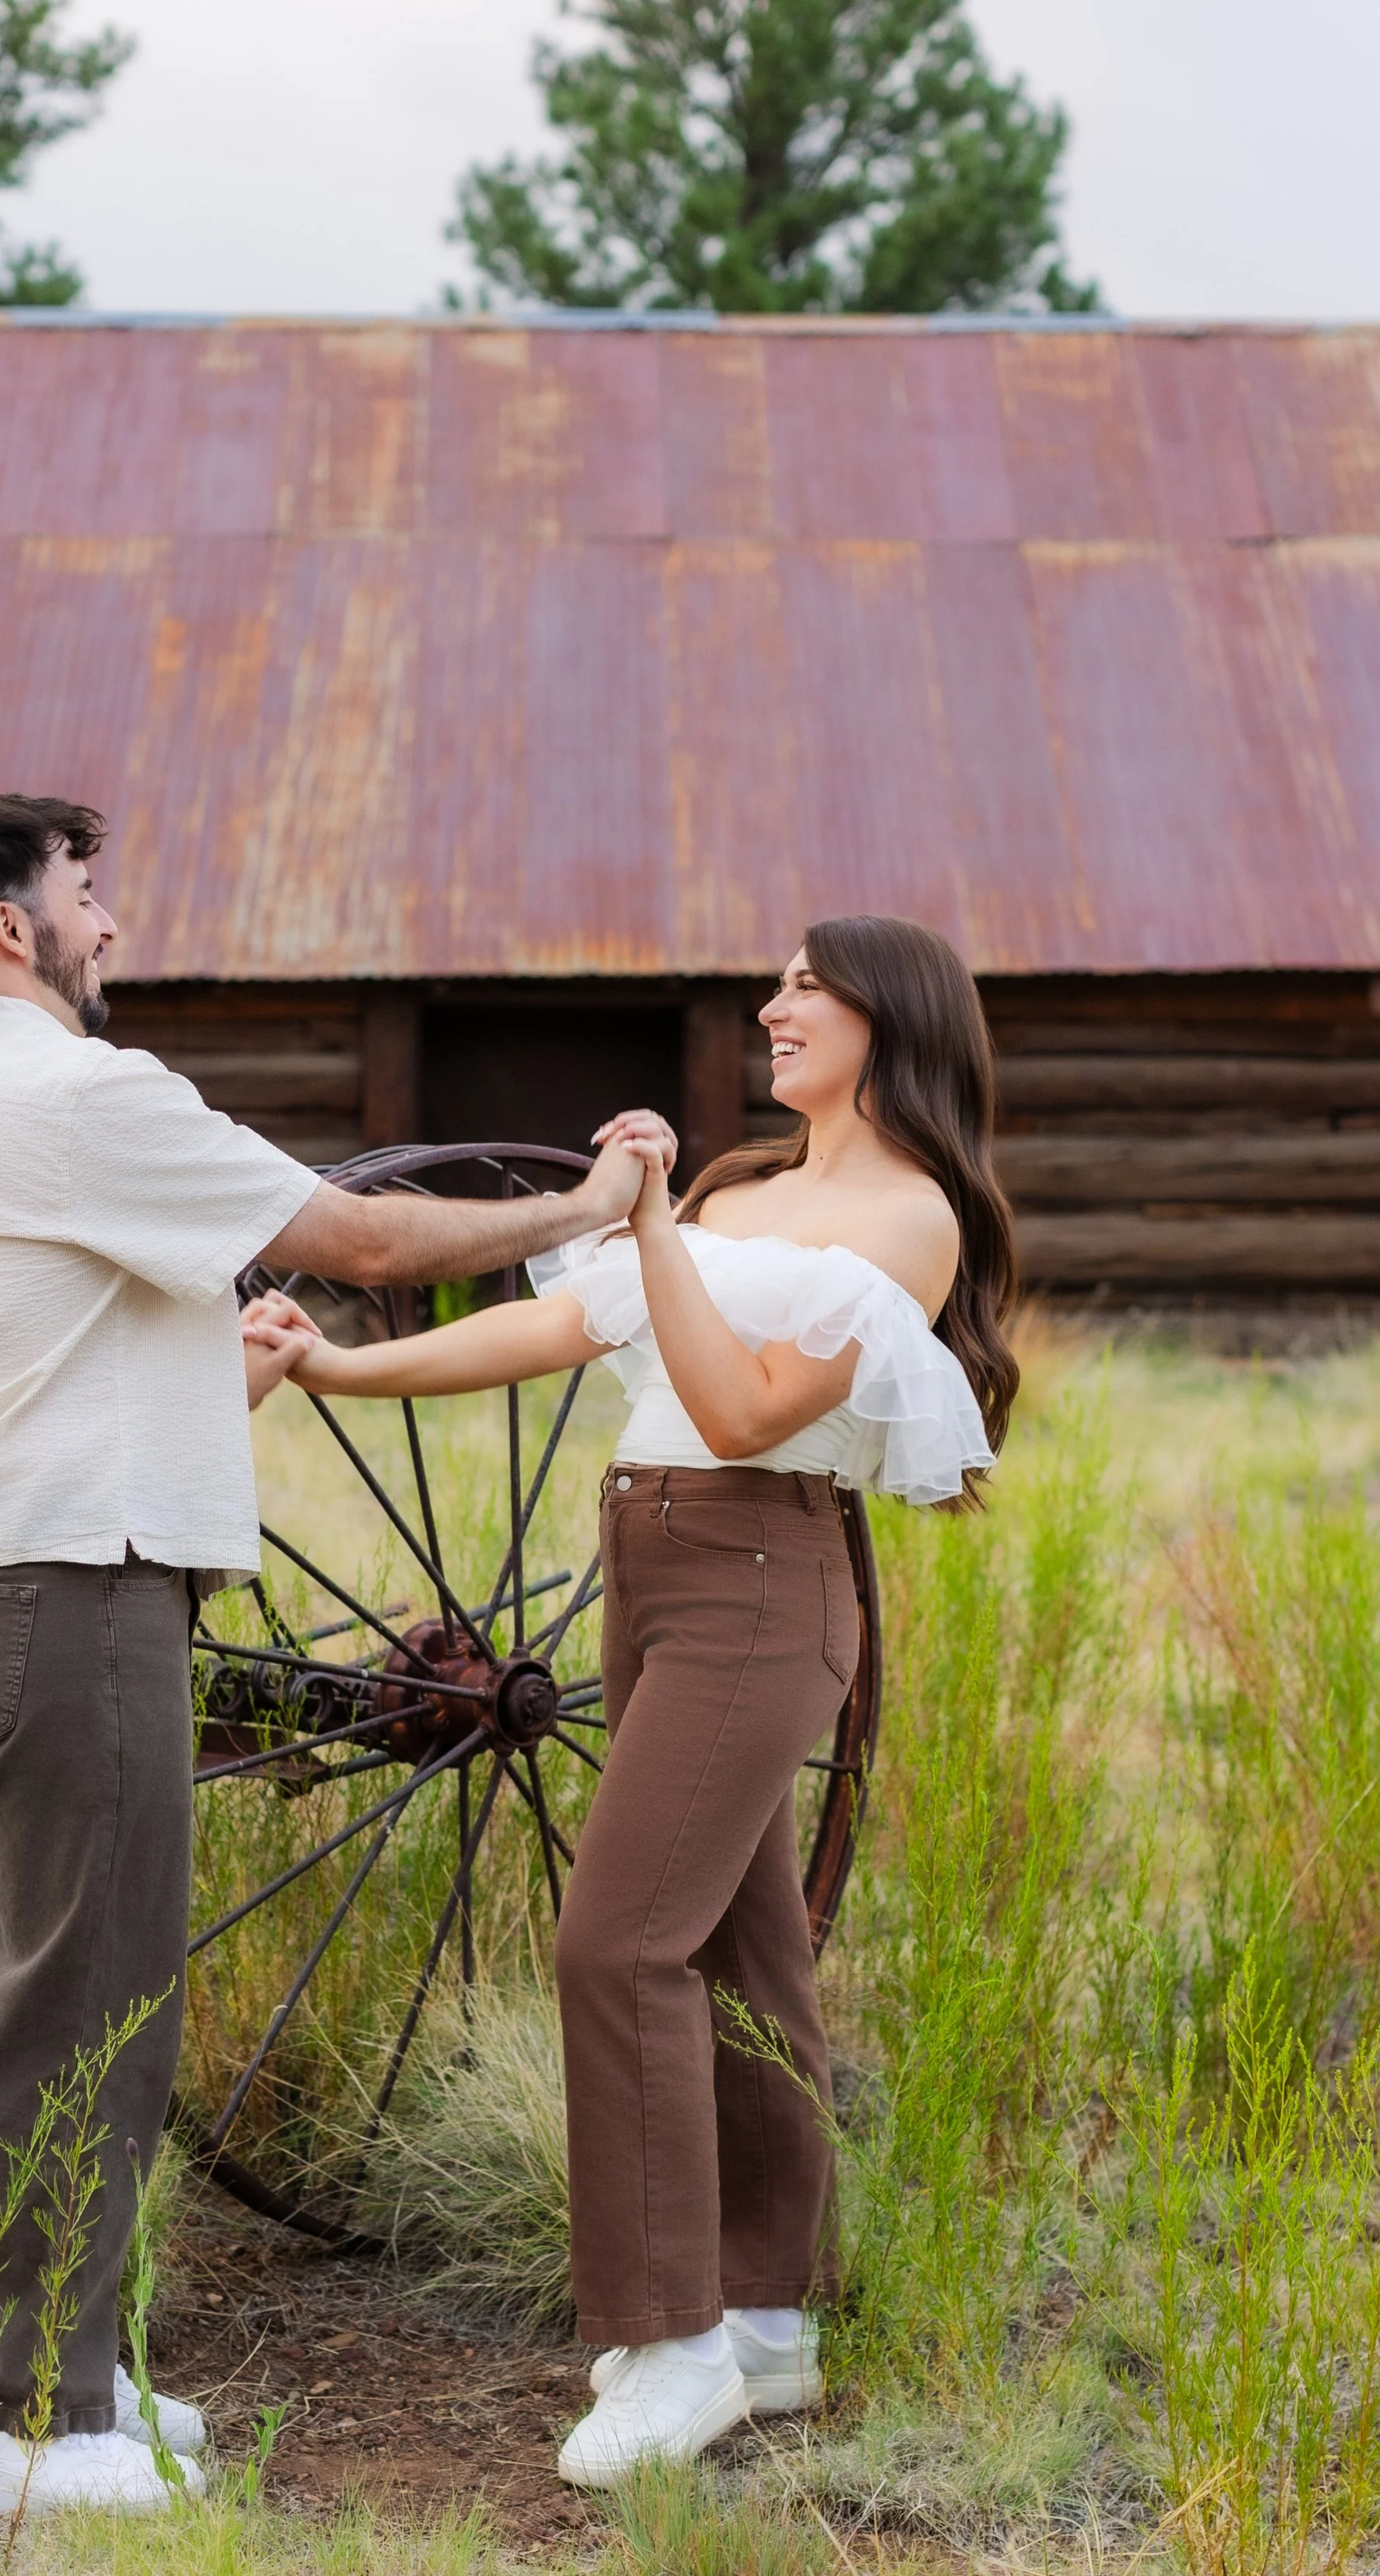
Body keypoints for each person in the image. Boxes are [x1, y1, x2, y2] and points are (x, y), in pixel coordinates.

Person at [0, 790, 653, 2518]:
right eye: (84, 892)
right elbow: (359, 1238)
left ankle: (53, 2382)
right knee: (86, 2000)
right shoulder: (70, 1091)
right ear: (13, 928)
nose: (107, 923)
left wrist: (232, 1380)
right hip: (70, 1596)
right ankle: (30, 2426)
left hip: (24, 1577)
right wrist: (581, 1203)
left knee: (58, 1977)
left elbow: (33, 1379)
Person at [264, 916, 1016, 2488]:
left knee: (615, 1942)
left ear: (893, 1014)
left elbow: (742, 1408)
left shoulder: (907, 1220)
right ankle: (767, 2318)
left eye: (808, 985)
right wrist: (334, 1369)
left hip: (757, 1587)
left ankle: (669, 2347)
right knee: (741, 1948)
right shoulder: (752, 1189)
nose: (773, 1005)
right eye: (782, 982)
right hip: (655, 1575)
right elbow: (557, 1326)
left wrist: (657, 1223)